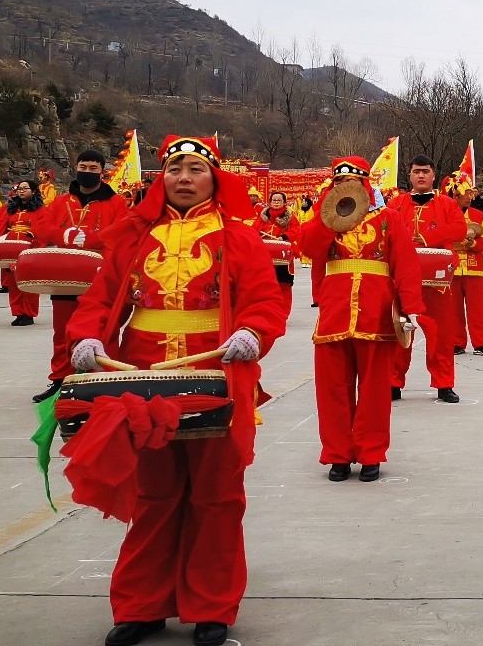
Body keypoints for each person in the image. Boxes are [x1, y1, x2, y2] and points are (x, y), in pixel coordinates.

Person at [64, 135, 286, 646]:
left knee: (217, 493)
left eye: (194, 169)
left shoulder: (240, 237)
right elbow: (101, 300)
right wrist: (88, 337)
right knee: (154, 493)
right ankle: (142, 605)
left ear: (215, 178)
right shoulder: (134, 237)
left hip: (215, 374)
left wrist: (253, 332)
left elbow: (263, 301)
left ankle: (212, 607)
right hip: (142, 378)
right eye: (173, 169)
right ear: (160, 178)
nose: (183, 178)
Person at [301, 156, 425, 480]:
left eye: (352, 182)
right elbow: (309, 249)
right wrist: (329, 218)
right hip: (334, 313)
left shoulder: (388, 218)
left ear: (365, 184)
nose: (346, 188)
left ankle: (371, 453)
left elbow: (406, 264)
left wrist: (410, 307)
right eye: (339, 183)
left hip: (377, 311)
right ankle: (337, 454)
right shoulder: (323, 218)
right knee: (332, 389)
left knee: (374, 390)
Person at [30, 150, 131, 403]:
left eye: (93, 168)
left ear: (102, 171)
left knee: (105, 328)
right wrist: (62, 235)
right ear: (76, 167)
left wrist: (95, 238)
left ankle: (106, 380)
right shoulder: (62, 201)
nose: (87, 171)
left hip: (101, 277)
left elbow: (123, 230)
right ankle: (61, 380)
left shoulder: (116, 203)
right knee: (62, 330)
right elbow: (41, 225)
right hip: (64, 277)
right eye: (83, 166)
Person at [387, 156, 466, 403]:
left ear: (433, 176)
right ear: (409, 176)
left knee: (441, 334)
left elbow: (459, 229)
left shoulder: (447, 204)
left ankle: (444, 384)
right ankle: (393, 382)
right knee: (398, 330)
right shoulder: (396, 204)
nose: (421, 176)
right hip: (401, 279)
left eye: (425, 171)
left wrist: (428, 238)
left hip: (438, 282)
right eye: (416, 172)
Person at [446, 173, 483, 356]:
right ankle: (457, 343)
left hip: (474, 268)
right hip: (453, 268)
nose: (470, 197)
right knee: (454, 309)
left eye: (470, 194)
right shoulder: (447, 214)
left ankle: (480, 343)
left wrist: (473, 244)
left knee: (477, 309)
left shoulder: (477, 215)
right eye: (466, 193)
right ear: (455, 194)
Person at [0, 178, 44, 325]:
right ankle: (18, 312)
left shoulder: (42, 209)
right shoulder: (9, 208)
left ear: (34, 191)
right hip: (10, 248)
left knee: (28, 282)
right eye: (19, 189)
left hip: (30, 248)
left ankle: (29, 313)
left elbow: (45, 229)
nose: (21, 191)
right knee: (13, 282)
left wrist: (35, 236)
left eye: (25, 188)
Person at [254, 191, 299, 310]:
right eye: (274, 200)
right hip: (265, 253)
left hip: (283, 254)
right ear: (270, 202)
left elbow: (297, 230)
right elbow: (254, 230)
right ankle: (268, 309)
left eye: (279, 200)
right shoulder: (263, 216)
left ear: (284, 203)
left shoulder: (289, 216)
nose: (276, 202)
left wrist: (284, 237)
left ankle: (284, 310)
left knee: (284, 283)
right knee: (266, 283)